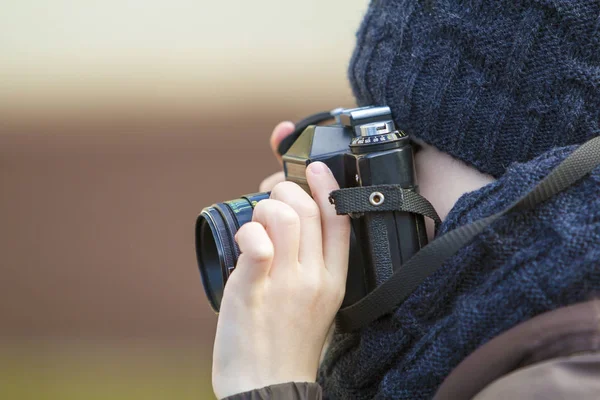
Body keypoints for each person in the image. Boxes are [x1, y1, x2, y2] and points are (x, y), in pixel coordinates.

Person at [211, 1, 600, 399]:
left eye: (398, 146)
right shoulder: (448, 338)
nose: (350, 178)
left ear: (543, 178)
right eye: (356, 127)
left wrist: (269, 385)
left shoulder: (563, 377)